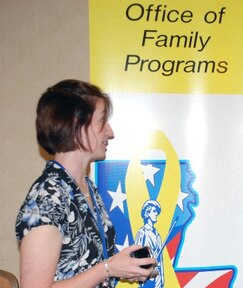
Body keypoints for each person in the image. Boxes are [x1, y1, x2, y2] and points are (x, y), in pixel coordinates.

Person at [15, 79, 156, 288]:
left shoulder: (86, 188)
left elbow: (85, 266)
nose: (110, 132)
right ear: (75, 125)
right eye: (102, 121)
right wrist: (107, 269)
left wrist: (122, 267)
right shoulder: (47, 197)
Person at [135, 200, 164, 287]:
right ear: (147, 213)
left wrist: (162, 278)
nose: (156, 214)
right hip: (147, 276)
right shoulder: (142, 232)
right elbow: (137, 257)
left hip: (158, 276)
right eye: (154, 211)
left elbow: (161, 259)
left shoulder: (157, 234)